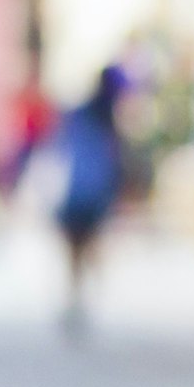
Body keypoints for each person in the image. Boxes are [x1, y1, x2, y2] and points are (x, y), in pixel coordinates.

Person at [52, 60, 131, 335]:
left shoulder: (85, 115)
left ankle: (77, 298)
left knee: (77, 250)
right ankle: (79, 298)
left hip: (79, 192)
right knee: (83, 248)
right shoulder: (103, 118)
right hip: (87, 192)